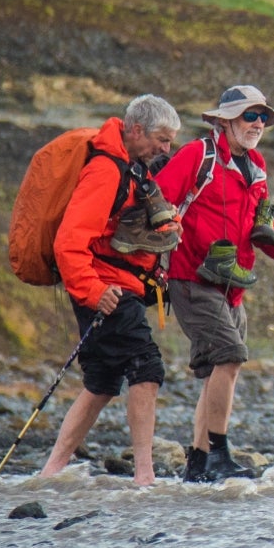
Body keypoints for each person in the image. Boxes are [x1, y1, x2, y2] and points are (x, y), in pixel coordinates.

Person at [155, 85, 274, 483]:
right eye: (248, 116)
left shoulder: (255, 167)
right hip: (190, 277)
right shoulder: (196, 156)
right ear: (224, 120)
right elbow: (156, 201)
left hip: (232, 287)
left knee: (218, 370)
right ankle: (219, 453)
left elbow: (265, 233)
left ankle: (199, 463)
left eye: (262, 118)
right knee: (230, 357)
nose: (257, 124)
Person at [38, 94, 184, 486]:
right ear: (136, 130)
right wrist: (92, 291)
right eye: (162, 139)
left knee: (102, 380)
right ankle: (145, 477)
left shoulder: (135, 168)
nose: (166, 149)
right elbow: (68, 243)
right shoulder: (106, 171)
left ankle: (50, 473)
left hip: (120, 287)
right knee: (147, 367)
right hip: (106, 289)